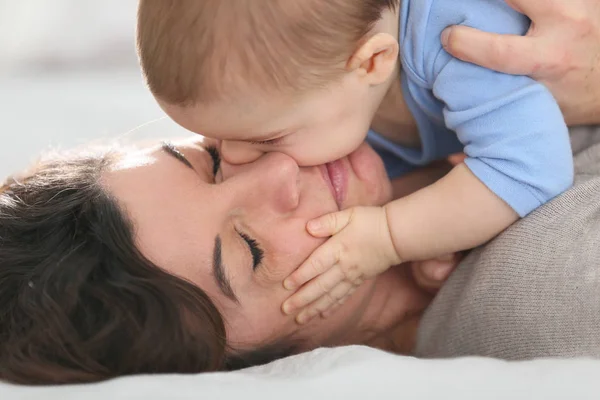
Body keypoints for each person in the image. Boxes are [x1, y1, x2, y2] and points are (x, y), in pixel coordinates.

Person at [136, 0, 574, 322]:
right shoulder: (332, 93)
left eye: (266, 139)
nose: (236, 158)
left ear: (373, 63)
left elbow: (530, 167)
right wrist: (441, 226)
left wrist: (391, 235)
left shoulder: (457, 38)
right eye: (212, 146)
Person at [0, 138, 459, 385]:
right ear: (282, 362)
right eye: (252, 250)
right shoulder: (516, 297)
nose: (279, 170)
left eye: (211, 159)